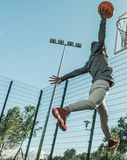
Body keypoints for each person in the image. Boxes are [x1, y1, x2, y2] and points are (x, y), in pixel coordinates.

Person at [49, 9, 120, 150]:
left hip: (95, 87)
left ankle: (110, 139)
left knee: (104, 115)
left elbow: (77, 71)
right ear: (98, 48)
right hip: (101, 85)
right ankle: (64, 110)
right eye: (101, 46)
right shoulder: (98, 53)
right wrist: (103, 19)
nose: (103, 46)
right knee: (93, 104)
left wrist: (62, 78)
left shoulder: (89, 62)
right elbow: (102, 38)